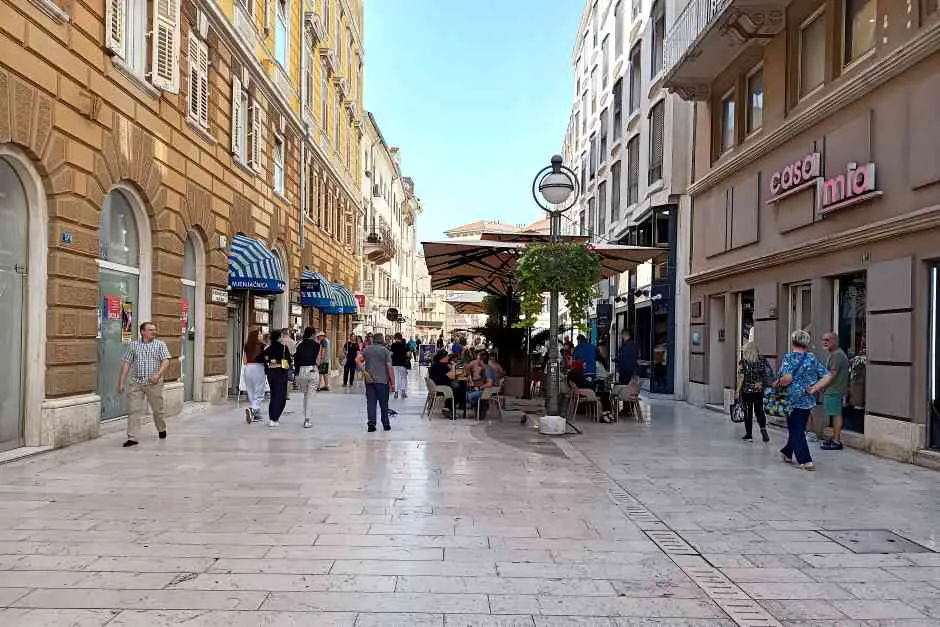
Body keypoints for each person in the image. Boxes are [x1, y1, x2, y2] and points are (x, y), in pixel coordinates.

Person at [775, 330, 834, 471]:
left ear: (792, 342)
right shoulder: (811, 358)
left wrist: (777, 382)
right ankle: (787, 452)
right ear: (807, 344)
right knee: (799, 428)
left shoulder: (789, 357)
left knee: (797, 431)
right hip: (808, 401)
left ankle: (805, 460)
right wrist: (814, 388)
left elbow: (787, 378)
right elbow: (828, 376)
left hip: (792, 401)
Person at [118, 321, 171, 447]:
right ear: (143, 332)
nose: (154, 332)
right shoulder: (133, 345)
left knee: (158, 410)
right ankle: (132, 438)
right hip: (136, 382)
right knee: (134, 410)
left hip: (154, 383)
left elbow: (166, 361)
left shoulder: (160, 345)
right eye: (151, 330)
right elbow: (126, 364)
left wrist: (158, 374)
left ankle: (161, 429)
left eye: (154, 330)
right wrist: (121, 383)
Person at [356, 332, 395, 432]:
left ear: (373, 340)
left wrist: (364, 372)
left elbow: (357, 360)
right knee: (383, 404)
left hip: (369, 381)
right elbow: (389, 368)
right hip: (382, 381)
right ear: (382, 340)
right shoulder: (386, 351)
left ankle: (371, 424)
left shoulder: (367, 350)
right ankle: (386, 424)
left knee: (371, 403)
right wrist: (393, 383)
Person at [736, 341, 772, 442]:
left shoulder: (743, 362)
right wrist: (762, 383)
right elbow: (768, 373)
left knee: (748, 412)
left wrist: (737, 391)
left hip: (747, 391)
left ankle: (749, 435)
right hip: (758, 390)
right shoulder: (762, 360)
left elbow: (741, 377)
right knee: (759, 411)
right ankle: (763, 430)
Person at [820, 331, 850, 451]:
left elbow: (832, 374)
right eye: (823, 340)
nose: (824, 342)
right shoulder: (834, 354)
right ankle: (834, 438)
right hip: (833, 389)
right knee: (834, 414)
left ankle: (837, 441)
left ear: (835, 341)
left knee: (836, 414)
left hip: (835, 390)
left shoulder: (837, 355)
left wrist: (819, 386)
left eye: (827, 340)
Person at [262, 328, 292, 427]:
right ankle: (275, 418)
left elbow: (263, 360)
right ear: (279, 337)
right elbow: (289, 362)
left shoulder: (268, 349)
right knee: (281, 395)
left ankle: (272, 418)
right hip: (281, 372)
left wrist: (268, 369)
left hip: (271, 373)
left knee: (274, 394)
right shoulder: (283, 348)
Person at [294, 327, 320, 428]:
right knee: (310, 396)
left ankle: (306, 416)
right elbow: (317, 359)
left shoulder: (299, 344)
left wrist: (296, 373)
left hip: (301, 371)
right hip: (312, 369)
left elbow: (296, 359)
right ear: (313, 334)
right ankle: (307, 419)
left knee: (305, 395)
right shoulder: (316, 345)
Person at [242, 329, 267, 424]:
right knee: (259, 391)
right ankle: (253, 409)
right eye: (260, 334)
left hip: (248, 368)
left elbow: (244, 361)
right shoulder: (262, 346)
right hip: (258, 368)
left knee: (251, 391)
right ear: (256, 336)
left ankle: (256, 415)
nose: (261, 336)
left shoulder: (246, 346)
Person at [428, 350, 460, 414]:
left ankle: (447, 407)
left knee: (456, 387)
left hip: (436, 386)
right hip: (441, 388)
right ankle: (448, 408)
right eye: (447, 357)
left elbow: (449, 374)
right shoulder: (442, 366)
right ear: (443, 358)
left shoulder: (436, 365)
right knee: (459, 390)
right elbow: (452, 376)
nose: (448, 358)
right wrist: (453, 366)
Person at [390, 333, 411, 399]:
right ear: (401, 338)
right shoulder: (405, 345)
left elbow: (391, 353)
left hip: (395, 363)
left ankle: (396, 393)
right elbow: (408, 355)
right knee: (403, 378)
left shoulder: (393, 345)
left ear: (395, 338)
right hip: (403, 364)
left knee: (396, 378)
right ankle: (403, 393)